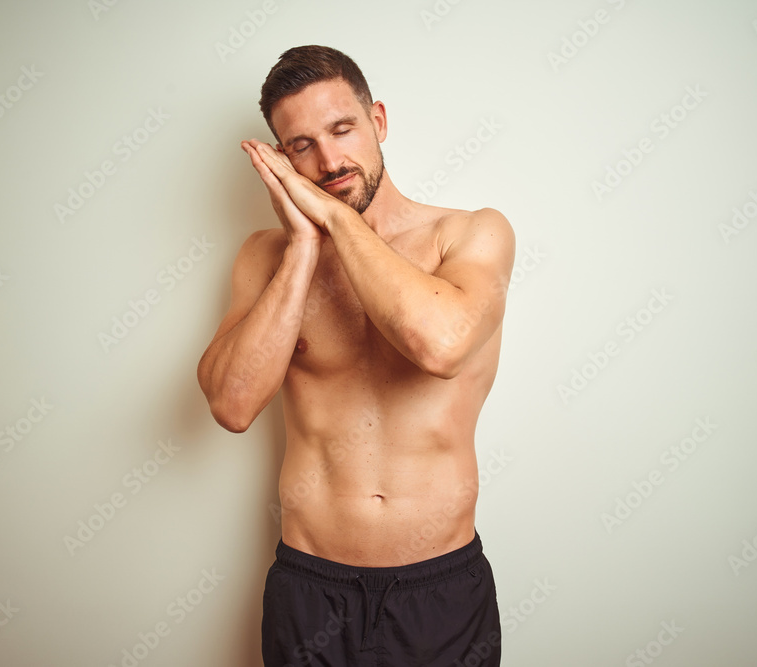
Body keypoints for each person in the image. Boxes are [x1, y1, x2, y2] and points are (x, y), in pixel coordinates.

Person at [197, 44, 514, 667]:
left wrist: (337, 222)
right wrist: (302, 248)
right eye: (301, 146)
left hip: (440, 589)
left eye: (343, 129)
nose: (329, 160)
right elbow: (231, 405)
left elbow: (439, 345)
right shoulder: (265, 257)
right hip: (311, 588)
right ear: (282, 158)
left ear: (380, 122)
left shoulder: (471, 233)